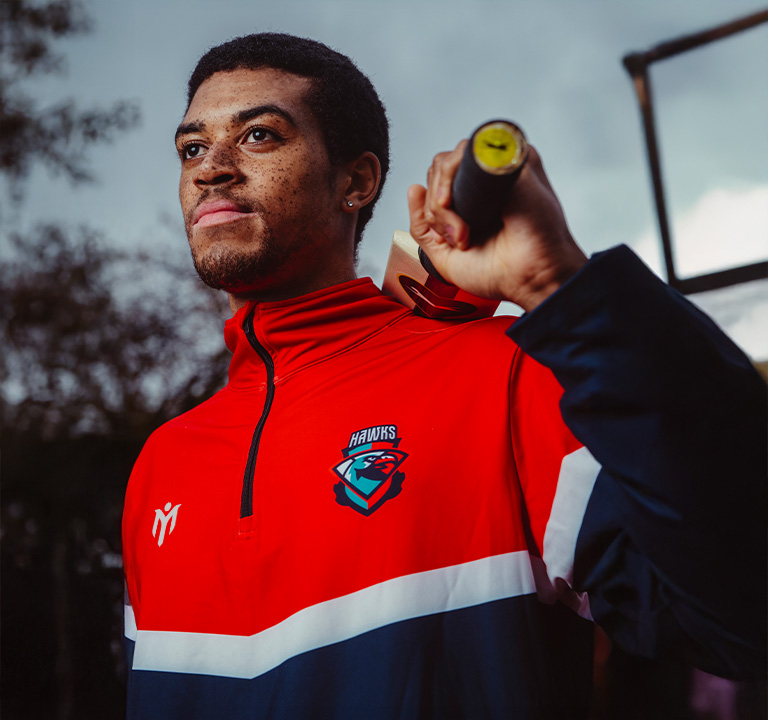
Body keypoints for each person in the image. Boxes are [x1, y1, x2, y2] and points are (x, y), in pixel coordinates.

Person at [121, 33, 766, 719]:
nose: (211, 169)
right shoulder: (163, 463)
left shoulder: (505, 375)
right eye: (192, 148)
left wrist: (561, 285)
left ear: (356, 181)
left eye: (258, 135)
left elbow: (743, 609)